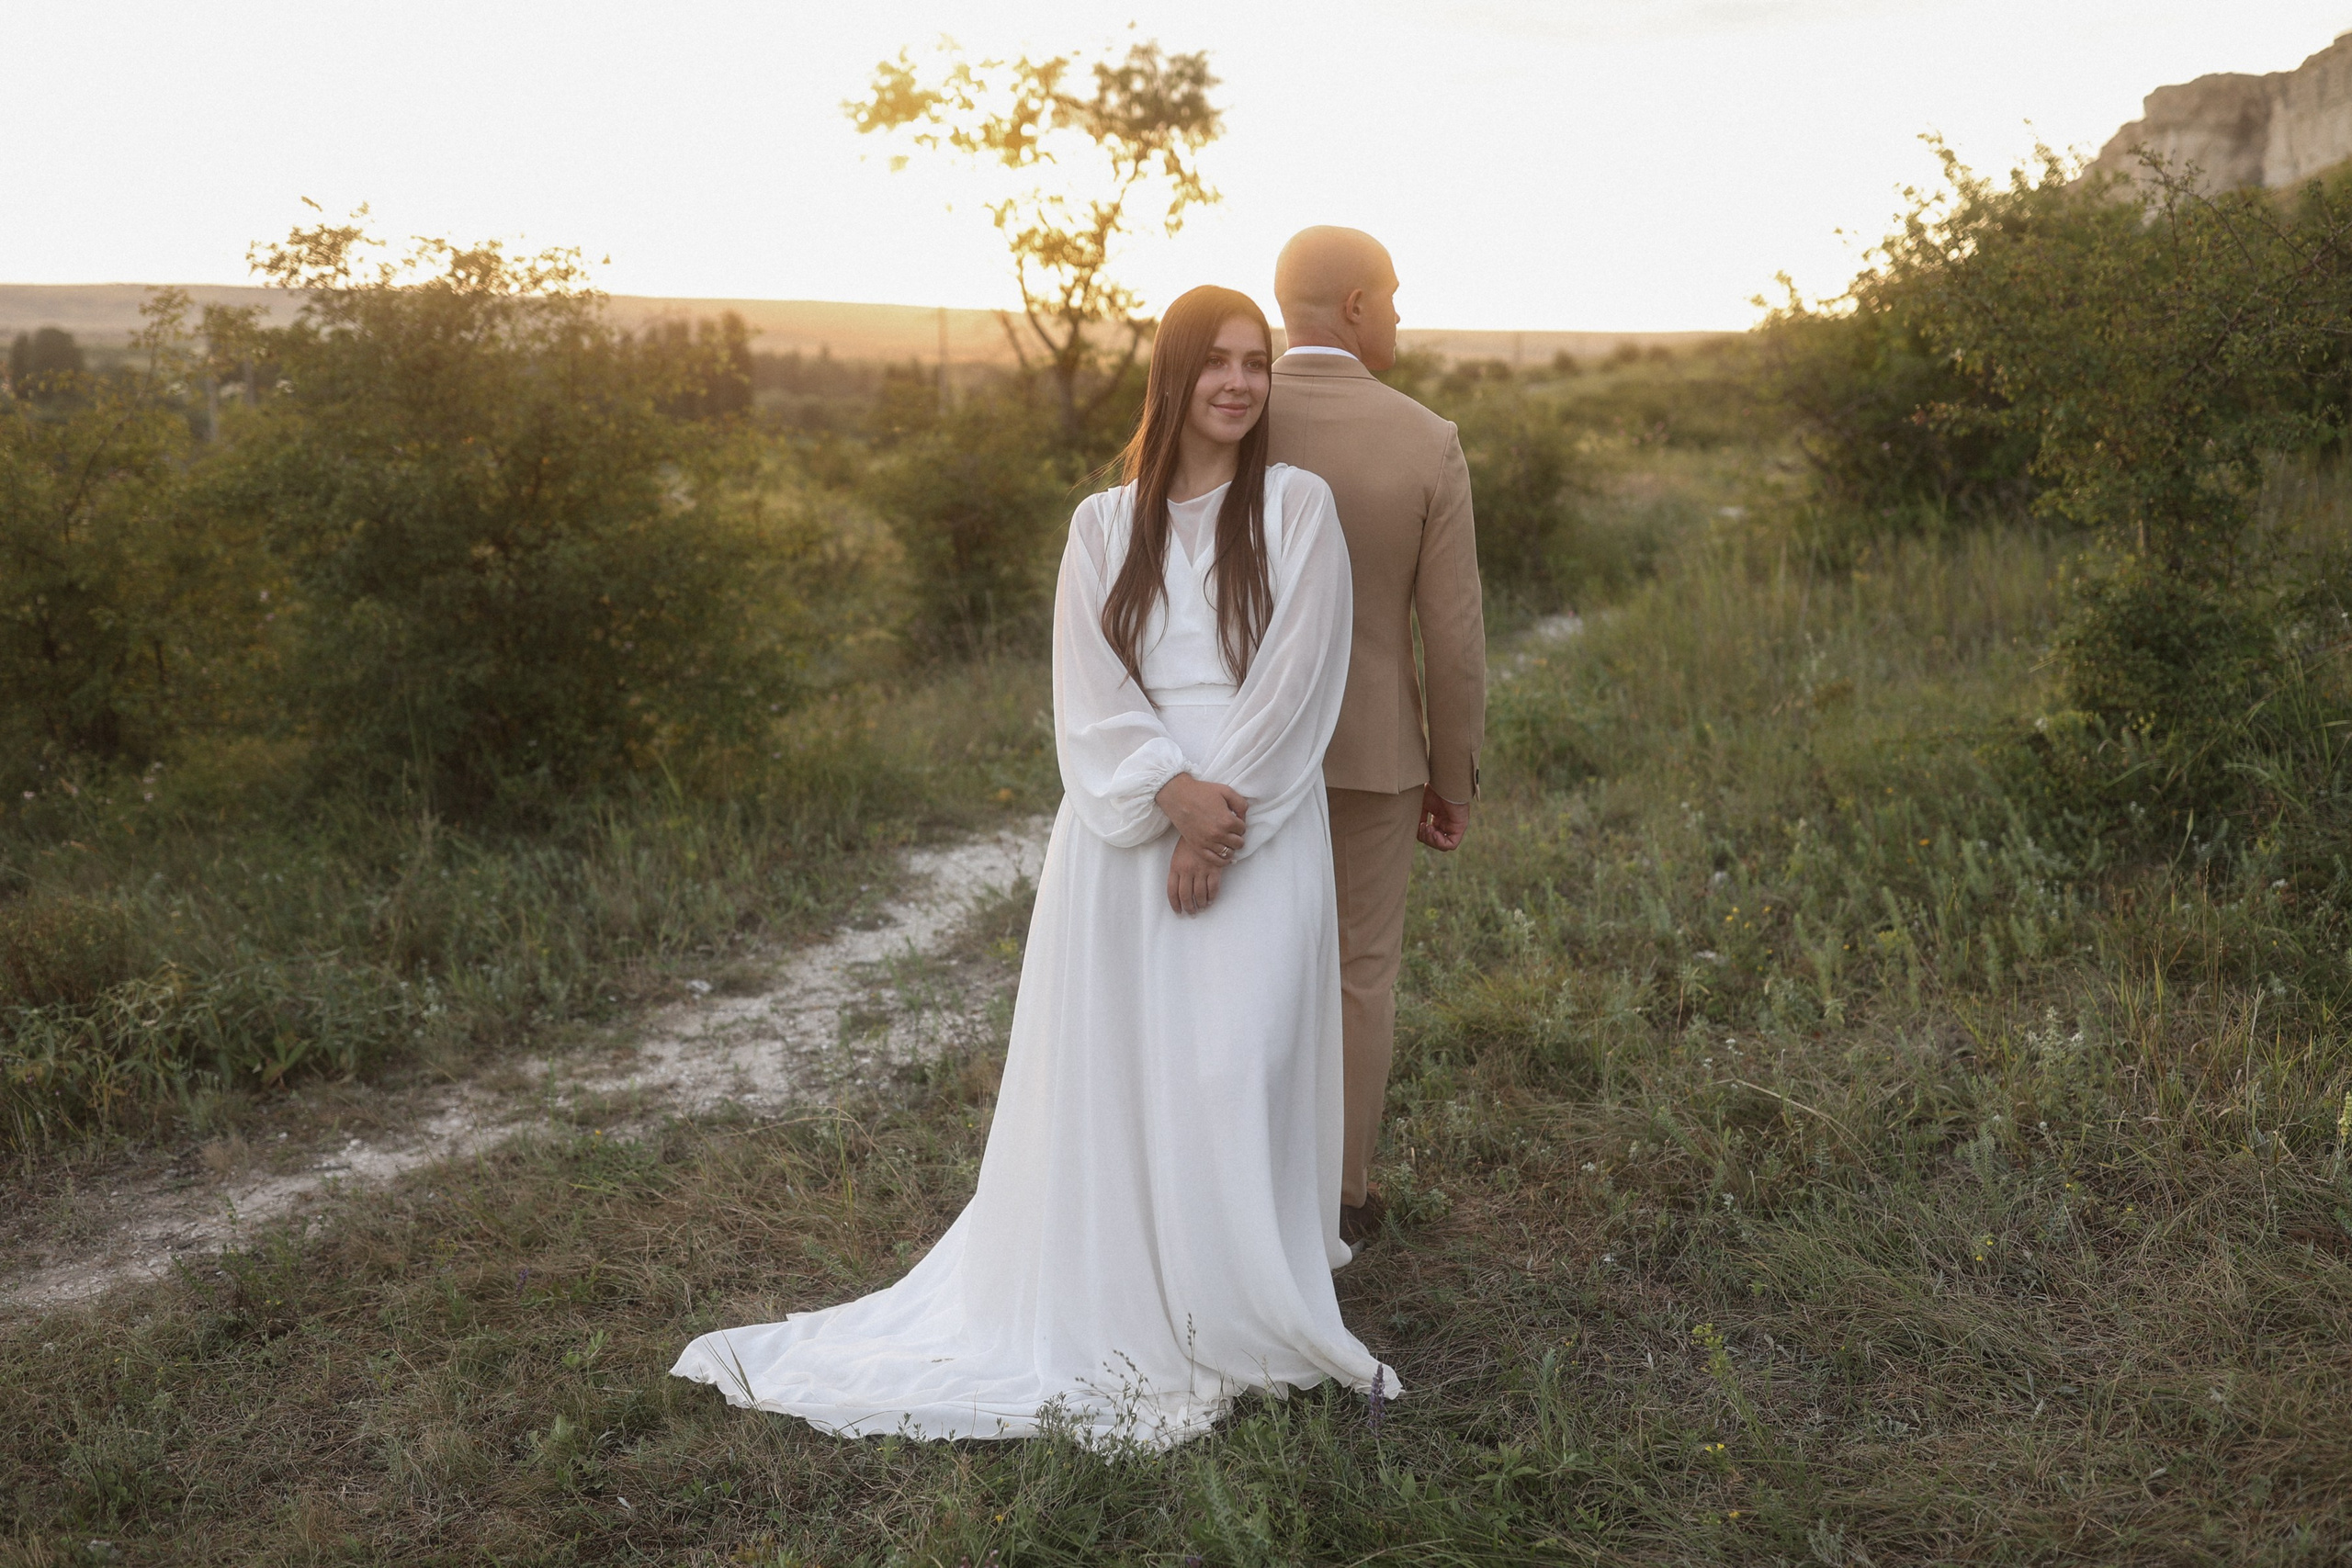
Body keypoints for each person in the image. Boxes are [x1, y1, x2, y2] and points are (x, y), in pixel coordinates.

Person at [671, 285, 1395, 1449]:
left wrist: (1222, 821)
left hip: (1261, 814)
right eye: (1215, 362)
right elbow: (1088, 689)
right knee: (1130, 1067)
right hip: (1123, 833)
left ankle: (1242, 1301)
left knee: (1235, 1061)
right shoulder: (1102, 525)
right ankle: (1125, 1290)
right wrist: (1167, 798)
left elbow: (1301, 672)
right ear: (1171, 376)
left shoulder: (1297, 506)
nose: (1238, 383)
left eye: (1255, 363)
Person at [1265, 227, 1487, 1244]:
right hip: (1372, 756)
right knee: (1359, 970)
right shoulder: (1424, 438)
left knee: (1245, 967)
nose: (1400, 314)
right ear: (1354, 304)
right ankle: (1340, 1195)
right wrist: (1453, 777)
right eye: (1392, 296)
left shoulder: (1226, 411)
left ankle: (1235, 1185)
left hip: (1233, 760)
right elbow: (1451, 636)